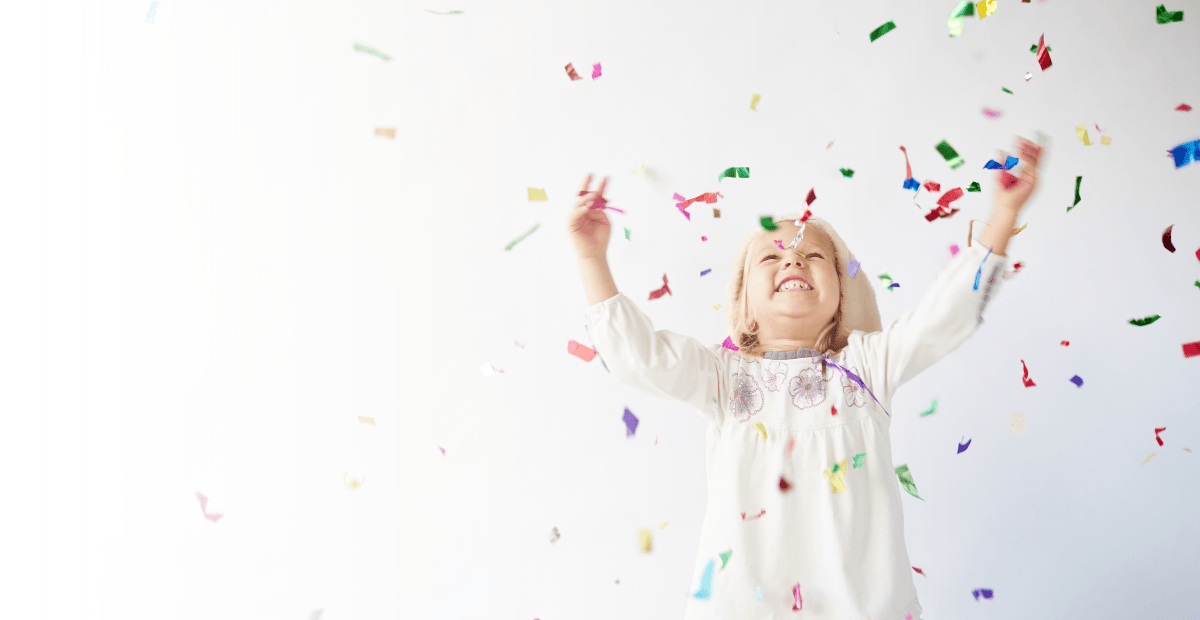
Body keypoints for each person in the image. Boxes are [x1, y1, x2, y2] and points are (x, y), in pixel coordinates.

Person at [566, 136, 1045, 619]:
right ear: (745, 304)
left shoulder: (867, 367)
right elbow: (638, 357)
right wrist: (591, 259)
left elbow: (946, 315)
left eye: (812, 256)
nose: (792, 259)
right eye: (771, 257)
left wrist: (1004, 213)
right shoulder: (721, 378)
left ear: (842, 292)